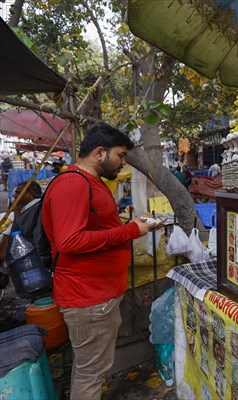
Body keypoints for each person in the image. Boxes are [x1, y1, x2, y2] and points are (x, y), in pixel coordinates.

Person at [41, 123, 160, 400]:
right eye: (120, 155)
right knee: (90, 373)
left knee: (90, 369)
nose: (122, 162)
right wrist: (130, 231)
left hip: (98, 297)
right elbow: (71, 241)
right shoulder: (73, 184)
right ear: (99, 153)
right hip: (88, 298)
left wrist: (133, 226)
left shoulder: (89, 183)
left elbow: (96, 230)